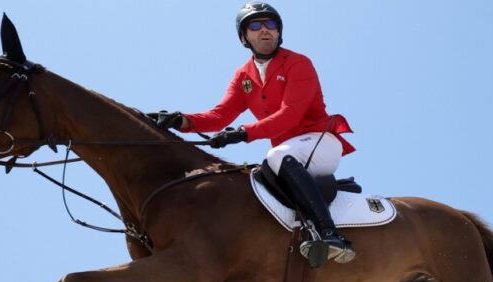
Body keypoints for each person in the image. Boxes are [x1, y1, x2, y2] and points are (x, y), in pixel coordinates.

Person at [150, 2, 356, 265]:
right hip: (287, 153)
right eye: (255, 26)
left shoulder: (298, 63)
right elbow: (220, 115)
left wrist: (243, 133)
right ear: (244, 37)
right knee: (257, 179)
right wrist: (182, 120)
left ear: (279, 33)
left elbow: (290, 114)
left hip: (320, 141)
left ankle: (331, 235)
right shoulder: (243, 76)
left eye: (271, 24)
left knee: (277, 156)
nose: (264, 31)